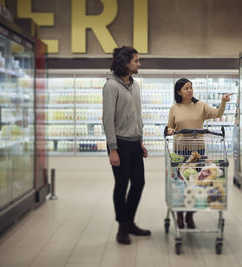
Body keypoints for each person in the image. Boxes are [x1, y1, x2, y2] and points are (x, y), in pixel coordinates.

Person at [166, 78, 233, 229]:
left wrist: (223, 102)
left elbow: (217, 113)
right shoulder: (174, 108)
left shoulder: (201, 106)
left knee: (196, 183)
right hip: (181, 151)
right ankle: (180, 215)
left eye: (191, 87)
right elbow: (169, 127)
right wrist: (169, 130)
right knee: (182, 183)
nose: (190, 90)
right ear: (179, 92)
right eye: (186, 88)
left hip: (198, 150)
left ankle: (190, 215)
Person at [102, 46, 150, 245]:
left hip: (134, 143)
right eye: (136, 60)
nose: (139, 64)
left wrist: (140, 141)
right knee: (122, 185)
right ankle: (122, 226)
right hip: (119, 144)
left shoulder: (135, 85)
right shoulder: (111, 86)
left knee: (138, 183)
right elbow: (108, 119)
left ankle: (129, 222)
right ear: (125, 62)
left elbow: (137, 115)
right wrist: (113, 149)